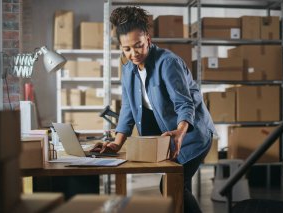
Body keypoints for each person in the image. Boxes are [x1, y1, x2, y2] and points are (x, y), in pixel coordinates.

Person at [91, 6, 216, 213]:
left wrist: (180, 131)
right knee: (173, 187)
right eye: (127, 49)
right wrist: (115, 143)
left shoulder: (168, 63)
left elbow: (185, 104)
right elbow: (128, 108)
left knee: (174, 186)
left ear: (148, 39)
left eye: (138, 46)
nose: (133, 54)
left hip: (192, 135)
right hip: (169, 139)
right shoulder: (128, 70)